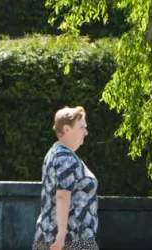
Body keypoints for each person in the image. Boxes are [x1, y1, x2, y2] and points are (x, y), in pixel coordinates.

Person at [34, 105, 99, 250]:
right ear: (66, 129)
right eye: (81, 127)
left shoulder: (55, 153)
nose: (86, 132)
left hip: (52, 235)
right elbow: (62, 195)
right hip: (73, 238)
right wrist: (62, 234)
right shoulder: (65, 158)